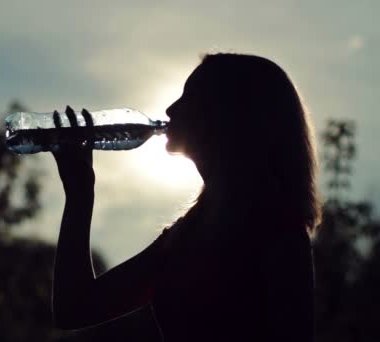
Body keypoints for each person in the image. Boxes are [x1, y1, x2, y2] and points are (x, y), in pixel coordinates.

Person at [50, 53, 321, 341]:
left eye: (189, 97)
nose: (170, 108)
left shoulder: (277, 230)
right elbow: (75, 308)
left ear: (229, 114)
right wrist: (79, 195)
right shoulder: (184, 236)